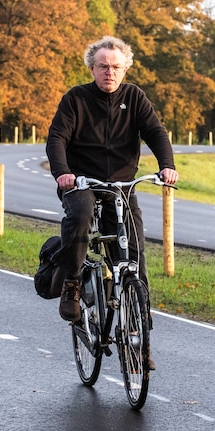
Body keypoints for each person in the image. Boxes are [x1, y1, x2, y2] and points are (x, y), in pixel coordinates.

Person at [45, 36, 178, 347]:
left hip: (121, 186)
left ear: (125, 69)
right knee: (80, 217)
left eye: (116, 67)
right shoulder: (76, 99)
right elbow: (57, 139)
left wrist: (167, 165)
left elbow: (155, 132)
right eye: (103, 66)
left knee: (134, 251)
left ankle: (139, 321)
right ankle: (72, 283)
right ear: (92, 68)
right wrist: (63, 173)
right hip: (82, 182)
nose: (110, 72)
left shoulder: (134, 97)